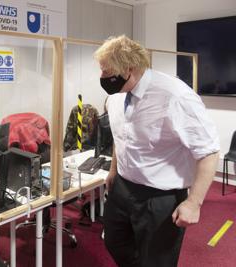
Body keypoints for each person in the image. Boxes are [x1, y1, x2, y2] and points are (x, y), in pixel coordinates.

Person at [94, 35, 220, 267]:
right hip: (122, 187)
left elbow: (209, 152)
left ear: (129, 68)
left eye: (106, 71)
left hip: (160, 197)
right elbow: (120, 136)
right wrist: (113, 170)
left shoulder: (175, 96)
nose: (102, 77)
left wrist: (194, 203)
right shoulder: (115, 98)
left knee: (157, 260)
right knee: (114, 242)